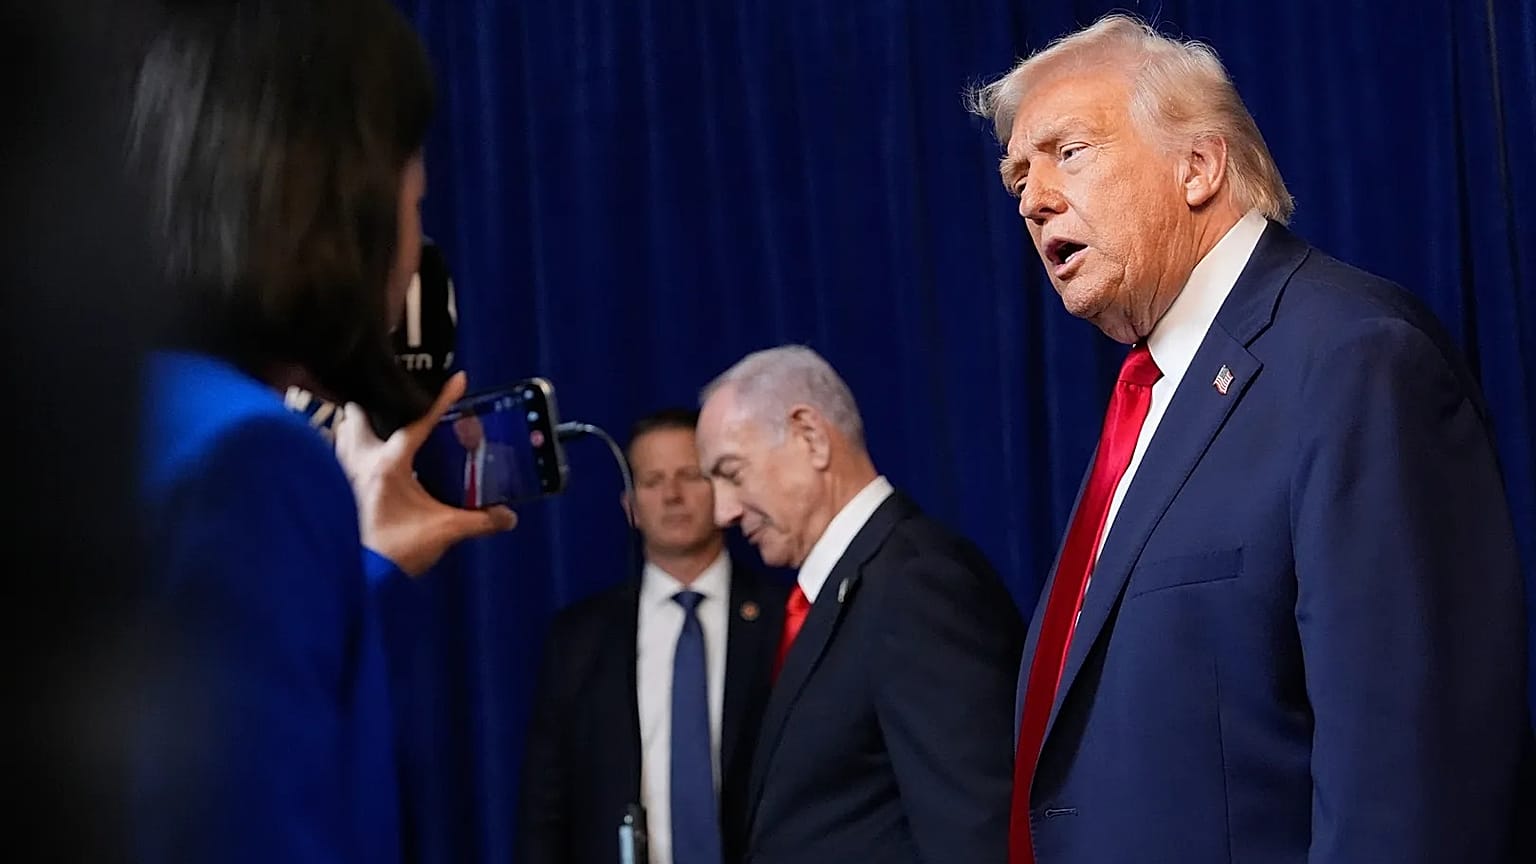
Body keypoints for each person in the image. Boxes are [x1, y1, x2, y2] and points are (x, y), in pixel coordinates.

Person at [967, 13, 1533, 864]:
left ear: (1198, 166)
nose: (1033, 198)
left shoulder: (1353, 360)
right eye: (1017, 178)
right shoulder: (1154, 392)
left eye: (1068, 152)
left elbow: (1412, 785)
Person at [131, 2, 514, 862]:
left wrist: (362, 567)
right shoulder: (251, 460)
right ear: (345, 206)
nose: (416, 249)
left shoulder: (129, 412)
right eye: (416, 200)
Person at [694, 346, 1023, 864]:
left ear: (810, 436)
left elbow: (974, 832)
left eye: (732, 473)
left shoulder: (917, 584)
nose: (722, 512)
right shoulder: (842, 589)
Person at [519, 409, 787, 864]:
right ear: (630, 506)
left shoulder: (784, 617)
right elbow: (545, 807)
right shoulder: (579, 638)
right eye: (652, 481)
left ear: (723, 490)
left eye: (690, 475)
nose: (672, 496)